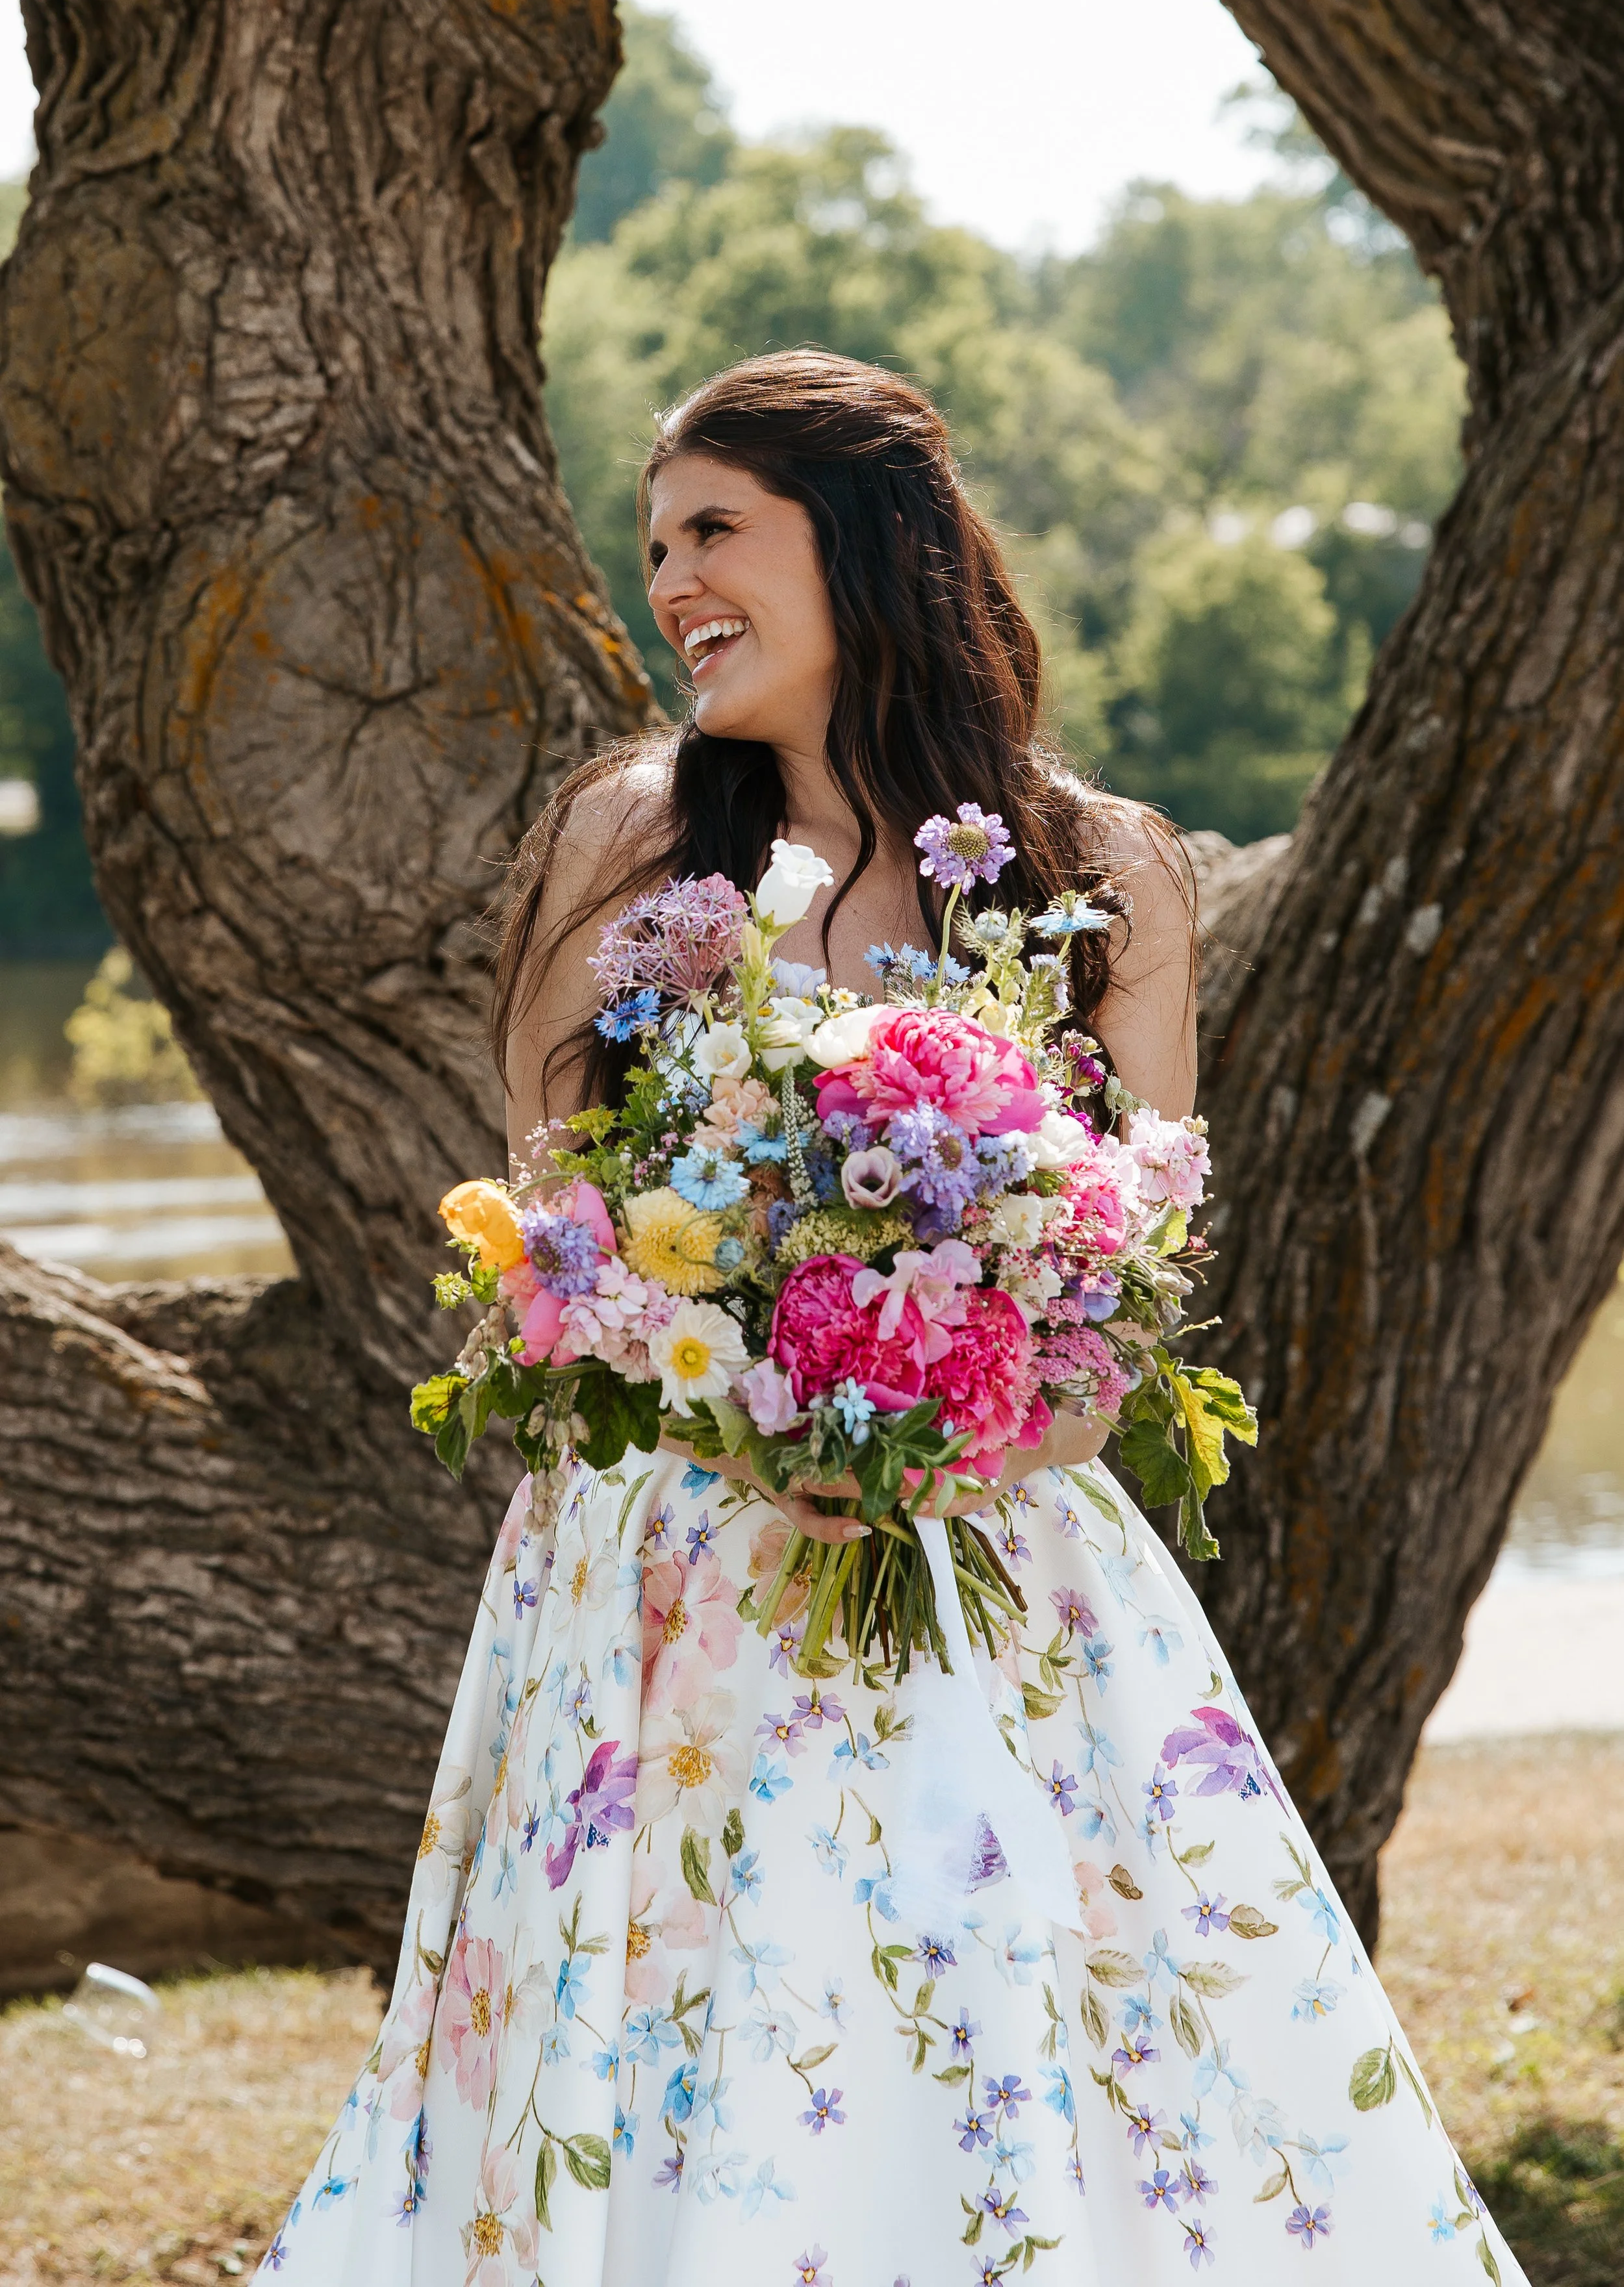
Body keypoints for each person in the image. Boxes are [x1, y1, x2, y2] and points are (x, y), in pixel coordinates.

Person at [262, 352, 1523, 2284]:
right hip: (666, 1582)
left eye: (715, 531)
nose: (668, 579)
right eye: (656, 538)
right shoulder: (623, 847)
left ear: (860, 548)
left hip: (995, 1580)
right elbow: (552, 1243)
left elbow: (1131, 1289)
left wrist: (942, 1435)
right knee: (687, 2060)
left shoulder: (1101, 873)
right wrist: (752, 1404)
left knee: (985, 2043)